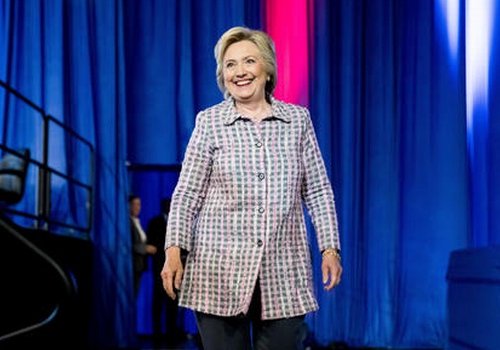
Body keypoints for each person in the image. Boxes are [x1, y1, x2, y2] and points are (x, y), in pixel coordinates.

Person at [160, 26, 342, 350]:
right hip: (216, 272)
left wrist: (330, 248)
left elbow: (317, 190)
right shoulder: (210, 122)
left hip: (284, 271)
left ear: (267, 68)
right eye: (230, 65)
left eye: (249, 62)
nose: (240, 72)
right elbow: (187, 193)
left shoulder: (297, 121)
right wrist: (174, 250)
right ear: (222, 74)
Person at [146, 197, 182, 342]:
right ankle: (157, 334)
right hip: (158, 267)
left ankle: (172, 333)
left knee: (173, 301)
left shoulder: (178, 224)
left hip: (175, 268)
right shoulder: (154, 222)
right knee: (157, 301)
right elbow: (151, 245)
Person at [129, 194, 157, 297]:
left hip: (139, 266)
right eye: (134, 204)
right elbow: (128, 244)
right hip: (131, 265)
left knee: (134, 295)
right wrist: (146, 248)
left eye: (139, 204)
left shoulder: (137, 221)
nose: (137, 207)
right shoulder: (127, 222)